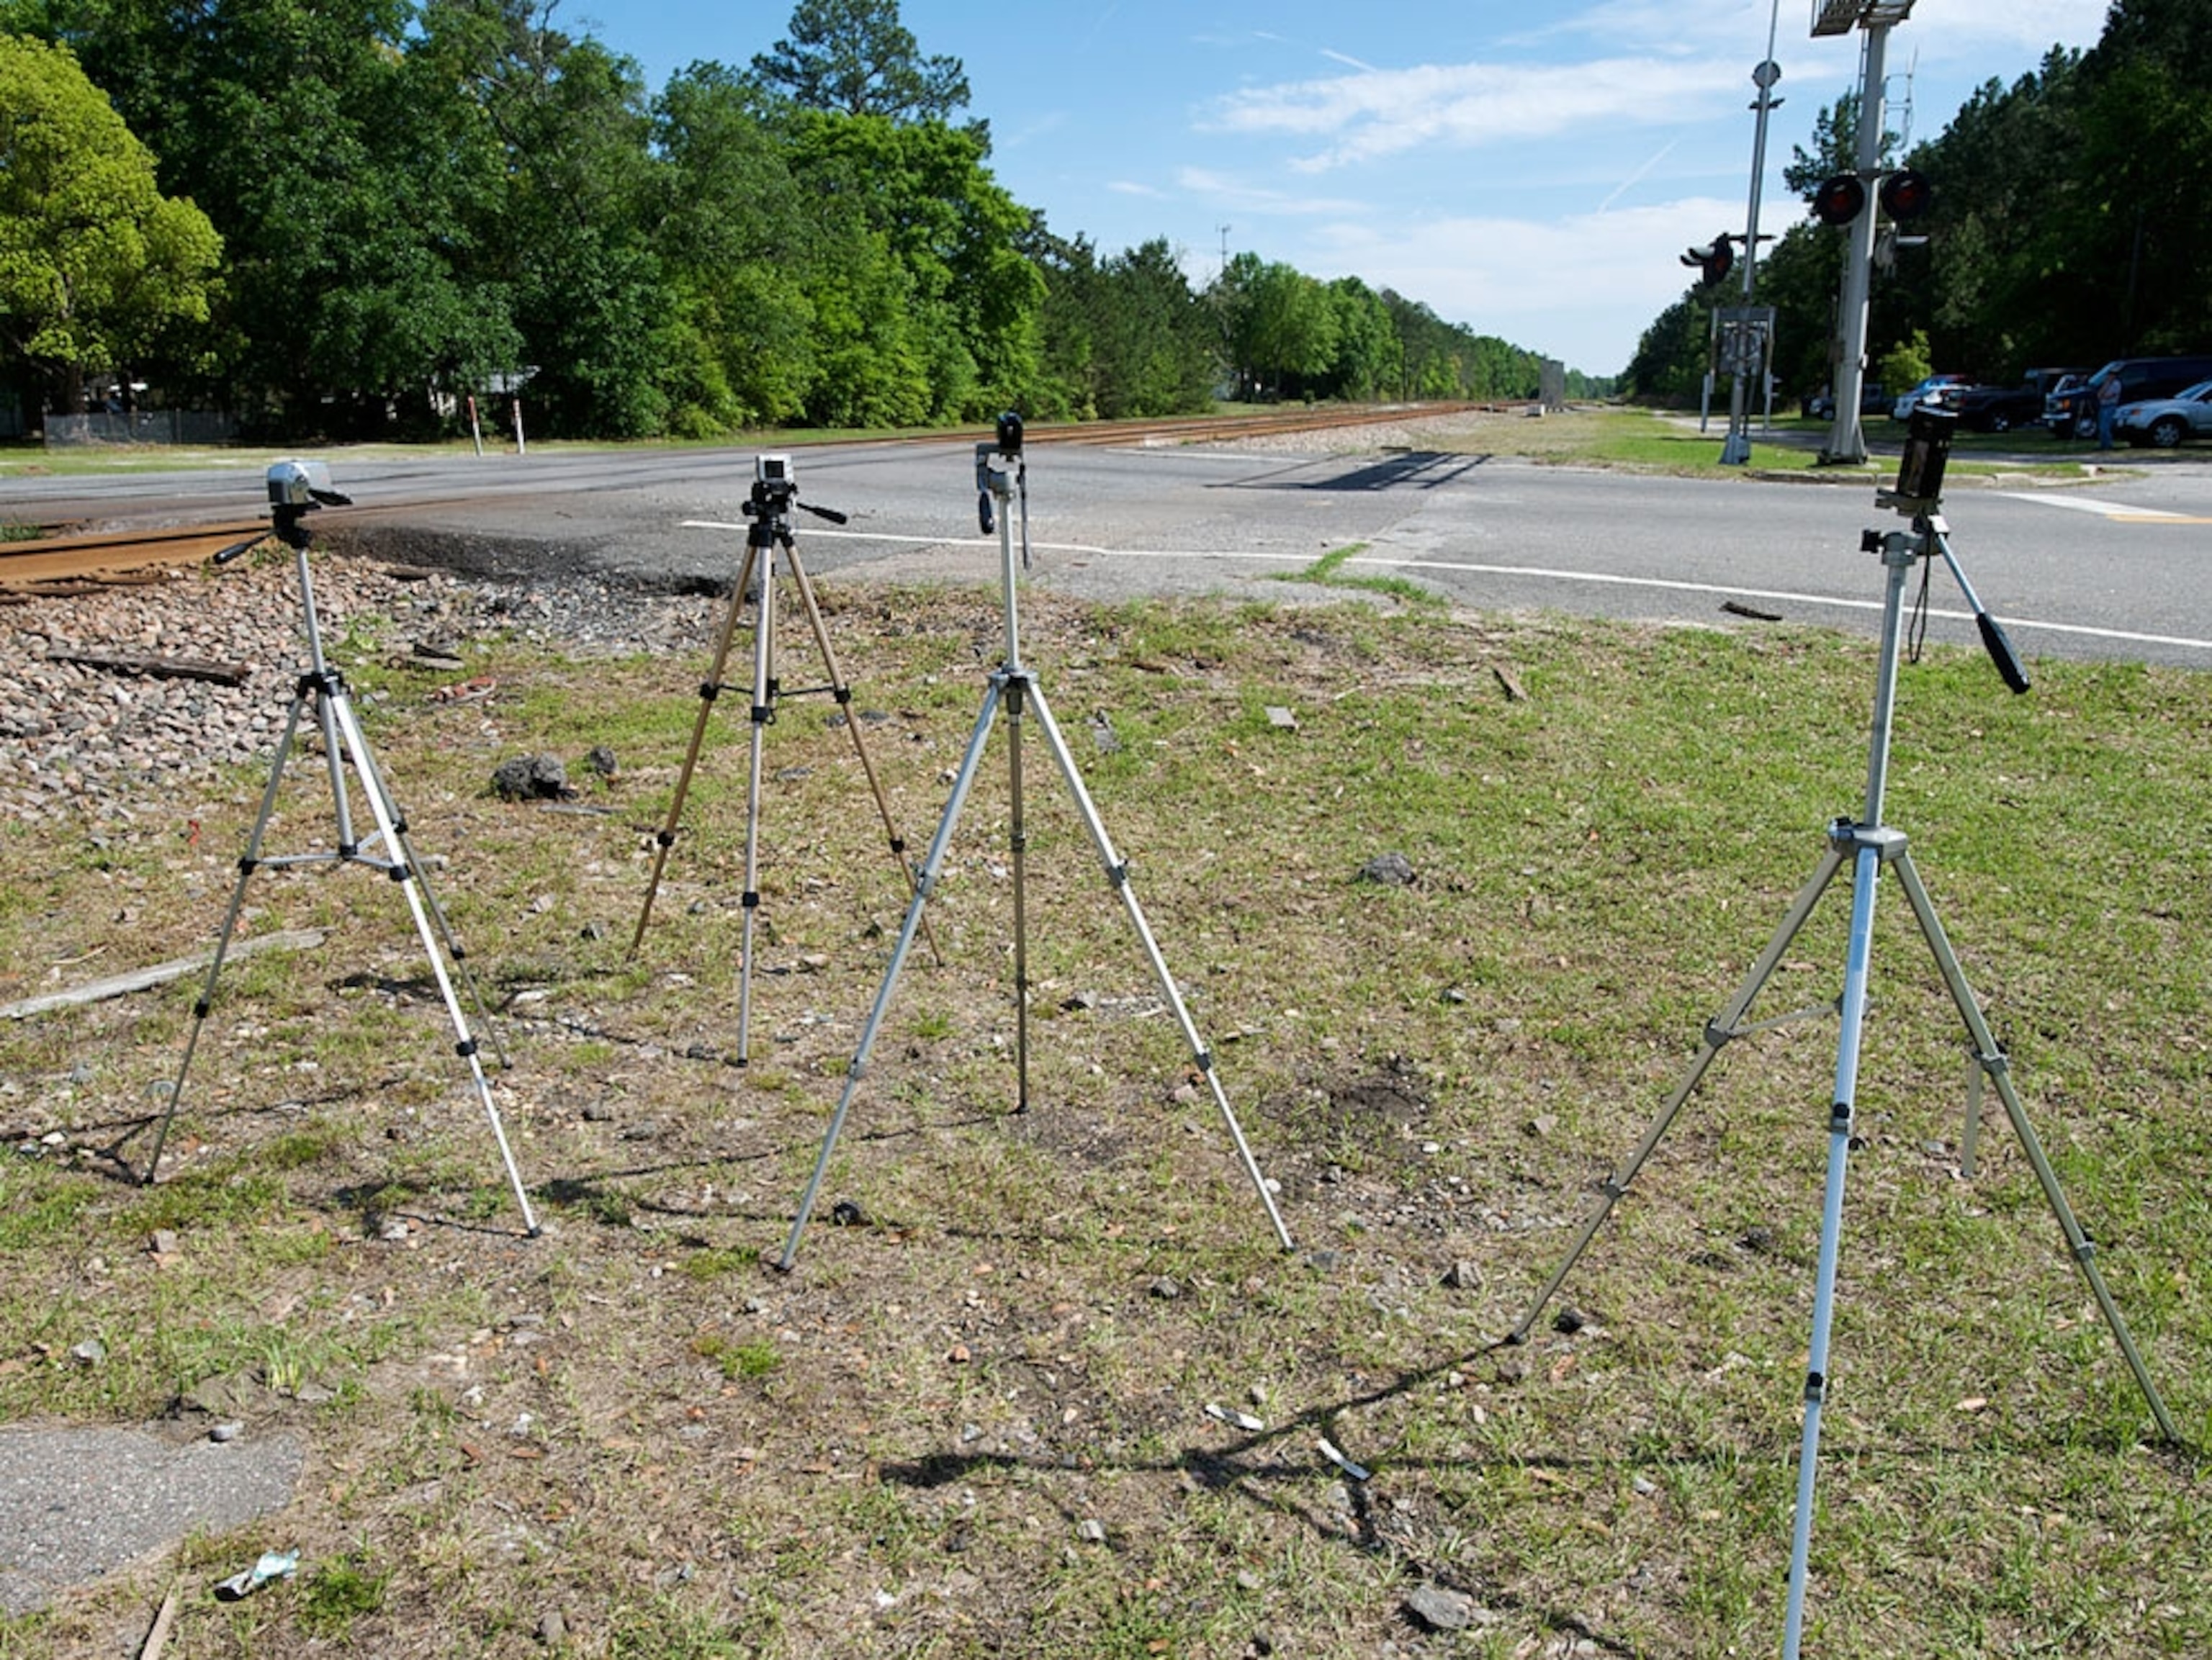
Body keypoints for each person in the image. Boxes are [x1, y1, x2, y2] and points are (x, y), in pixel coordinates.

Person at [2097, 372, 2123, 449]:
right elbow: (2099, 395)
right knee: (2101, 427)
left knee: (2105, 427)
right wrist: (2106, 385)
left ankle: (2108, 444)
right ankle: (2103, 444)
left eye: (2111, 376)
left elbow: (2111, 395)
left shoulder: (2116, 384)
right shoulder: (2106, 384)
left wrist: (2103, 396)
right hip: (2103, 406)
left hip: (2110, 406)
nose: (2109, 377)